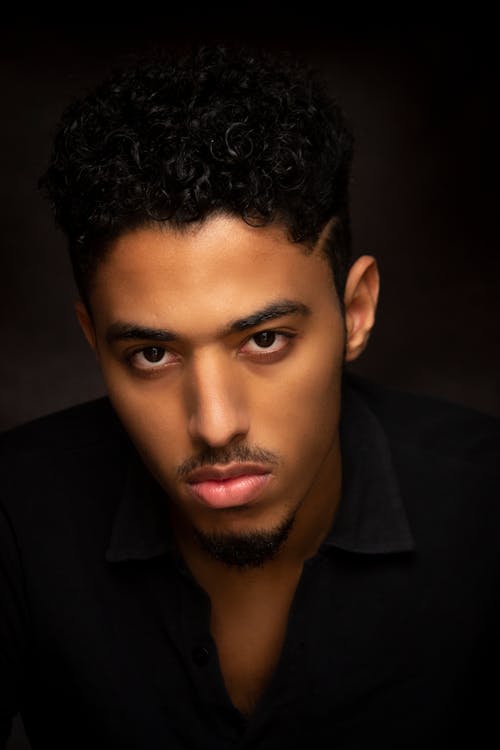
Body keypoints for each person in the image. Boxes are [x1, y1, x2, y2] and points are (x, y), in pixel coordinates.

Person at [1, 42, 499, 750]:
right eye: (151, 353)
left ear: (355, 311)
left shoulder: (486, 508)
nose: (215, 424)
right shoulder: (17, 513)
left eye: (264, 340)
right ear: (92, 340)